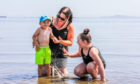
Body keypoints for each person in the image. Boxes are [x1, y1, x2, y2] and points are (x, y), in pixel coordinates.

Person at [49, 6, 74, 76]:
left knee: (62, 76)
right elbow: (41, 29)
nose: (59, 19)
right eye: (58, 16)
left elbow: (70, 42)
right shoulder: (50, 20)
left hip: (61, 52)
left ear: (68, 18)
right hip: (49, 51)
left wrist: (60, 41)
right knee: (48, 76)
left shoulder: (69, 26)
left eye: (62, 19)